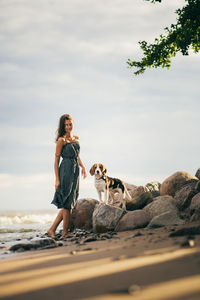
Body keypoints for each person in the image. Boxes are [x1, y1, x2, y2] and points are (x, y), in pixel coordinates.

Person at [47, 114, 87, 238]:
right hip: (65, 170)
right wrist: (57, 179)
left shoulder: (75, 139)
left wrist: (83, 167)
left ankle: (52, 230)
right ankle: (64, 232)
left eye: (70, 124)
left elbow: (77, 155)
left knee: (69, 202)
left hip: (75, 171)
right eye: (66, 125)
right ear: (63, 126)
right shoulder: (61, 140)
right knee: (66, 202)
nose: (69, 127)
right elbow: (56, 161)